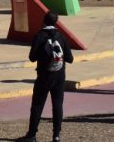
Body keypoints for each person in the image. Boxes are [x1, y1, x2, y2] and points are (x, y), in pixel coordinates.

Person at [18, 12, 74, 142]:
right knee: (58, 105)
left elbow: (32, 57)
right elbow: (70, 58)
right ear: (56, 22)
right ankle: (56, 135)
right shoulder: (61, 36)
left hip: (44, 75)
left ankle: (32, 135)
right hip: (59, 76)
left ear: (44, 21)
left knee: (37, 105)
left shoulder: (39, 36)